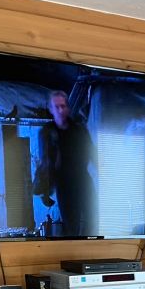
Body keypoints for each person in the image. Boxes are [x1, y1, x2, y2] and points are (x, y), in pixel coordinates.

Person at [33, 90, 96, 237]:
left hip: (83, 180)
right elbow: (46, 162)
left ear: (67, 107)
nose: (61, 110)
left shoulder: (79, 130)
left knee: (92, 222)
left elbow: (92, 153)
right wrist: (45, 189)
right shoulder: (47, 132)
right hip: (64, 185)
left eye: (63, 106)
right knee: (71, 226)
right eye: (57, 107)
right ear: (51, 109)